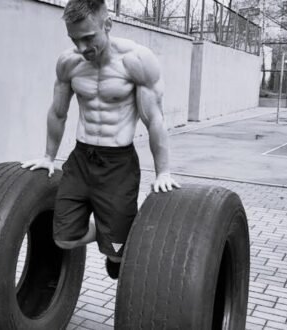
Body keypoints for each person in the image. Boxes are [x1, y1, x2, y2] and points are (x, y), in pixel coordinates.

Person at [21, 0, 180, 279]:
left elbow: (154, 119)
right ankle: (106, 231)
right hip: (81, 158)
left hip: (117, 165)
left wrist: (162, 172)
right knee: (63, 238)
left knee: (116, 257)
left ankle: (117, 238)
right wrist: (48, 156)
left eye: (88, 38)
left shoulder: (137, 61)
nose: (82, 48)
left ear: (107, 24)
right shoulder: (69, 63)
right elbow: (58, 113)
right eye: (74, 40)